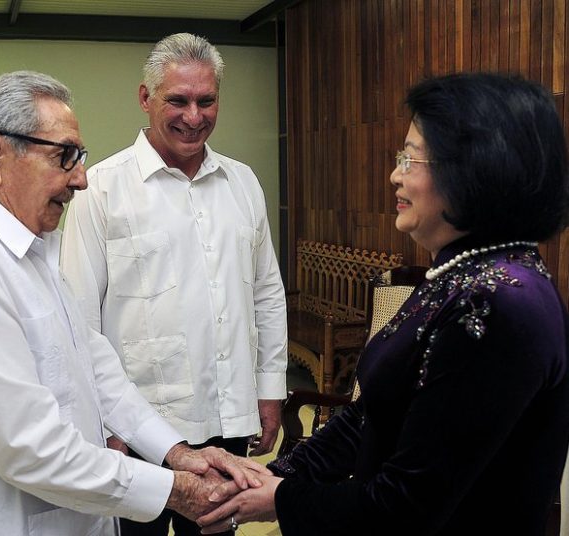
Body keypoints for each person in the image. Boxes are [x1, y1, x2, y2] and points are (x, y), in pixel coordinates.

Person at [0, 71, 267, 536]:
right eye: (65, 156)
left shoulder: (32, 247)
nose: (81, 179)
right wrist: (176, 490)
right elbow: (29, 447)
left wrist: (177, 452)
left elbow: (95, 368)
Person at [197, 73, 569, 535]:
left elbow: (408, 504)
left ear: (474, 169)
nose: (395, 173)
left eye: (411, 158)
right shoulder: (460, 275)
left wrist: (279, 498)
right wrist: (278, 475)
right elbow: (371, 413)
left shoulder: (498, 302)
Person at [60, 32, 287, 536]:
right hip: (141, 426)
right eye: (177, 100)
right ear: (146, 98)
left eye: (206, 100)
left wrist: (269, 391)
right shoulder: (100, 189)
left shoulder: (242, 182)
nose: (194, 115)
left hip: (227, 414)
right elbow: (79, 316)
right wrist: (106, 423)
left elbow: (266, 293)